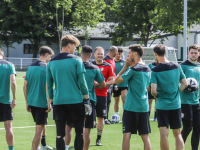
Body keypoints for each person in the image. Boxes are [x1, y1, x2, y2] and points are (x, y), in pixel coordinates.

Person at [46, 34, 91, 150]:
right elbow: (82, 83)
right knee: (79, 133)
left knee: (59, 134)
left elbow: (49, 85)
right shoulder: (77, 60)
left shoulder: (51, 62)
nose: (76, 50)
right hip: (76, 100)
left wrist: (51, 100)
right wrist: (87, 99)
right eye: (75, 47)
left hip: (59, 101)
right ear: (69, 45)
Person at [151, 44, 187, 150]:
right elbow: (185, 84)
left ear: (155, 54)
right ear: (165, 52)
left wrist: (157, 96)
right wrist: (176, 92)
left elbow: (153, 91)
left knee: (163, 134)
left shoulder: (155, 70)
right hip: (176, 105)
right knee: (178, 134)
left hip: (162, 105)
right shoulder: (177, 66)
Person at [115, 44, 151, 150]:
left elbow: (117, 80)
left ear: (135, 53)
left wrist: (125, 67)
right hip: (144, 107)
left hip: (131, 107)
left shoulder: (133, 69)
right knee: (145, 136)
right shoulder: (148, 68)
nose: (128, 55)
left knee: (127, 134)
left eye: (129, 53)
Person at [23, 46, 54, 150]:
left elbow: (25, 86)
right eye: (50, 56)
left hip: (32, 102)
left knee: (42, 123)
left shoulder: (30, 67)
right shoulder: (47, 68)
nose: (50, 58)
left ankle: (43, 144)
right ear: (46, 55)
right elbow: (47, 86)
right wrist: (49, 102)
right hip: (42, 103)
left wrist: (27, 103)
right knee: (38, 131)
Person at [92, 46, 115, 146]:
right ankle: (83, 137)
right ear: (94, 55)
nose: (100, 55)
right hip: (90, 95)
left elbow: (112, 80)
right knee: (86, 116)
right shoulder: (90, 65)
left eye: (101, 54)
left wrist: (103, 84)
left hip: (102, 95)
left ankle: (98, 139)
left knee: (101, 118)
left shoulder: (108, 65)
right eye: (98, 53)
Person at [180, 44, 200, 150]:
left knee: (197, 129)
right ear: (188, 53)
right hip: (185, 101)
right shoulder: (183, 66)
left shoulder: (199, 66)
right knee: (188, 127)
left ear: (198, 54)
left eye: (195, 53)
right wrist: (185, 86)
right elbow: (177, 83)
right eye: (191, 53)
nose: (193, 55)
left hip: (196, 102)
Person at [0, 47, 17, 150]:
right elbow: (13, 82)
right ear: (3, 55)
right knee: (8, 128)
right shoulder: (9, 65)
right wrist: (14, 98)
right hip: (6, 101)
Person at [103, 46, 118, 124]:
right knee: (105, 101)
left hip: (110, 84)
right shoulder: (105, 60)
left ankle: (106, 118)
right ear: (115, 52)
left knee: (108, 100)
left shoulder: (112, 60)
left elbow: (112, 72)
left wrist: (115, 82)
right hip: (105, 84)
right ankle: (103, 118)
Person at [112, 48, 128, 117]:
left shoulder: (124, 63)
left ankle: (125, 114)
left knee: (124, 99)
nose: (118, 55)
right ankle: (116, 114)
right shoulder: (112, 63)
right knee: (116, 100)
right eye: (117, 54)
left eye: (119, 54)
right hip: (115, 84)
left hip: (124, 84)